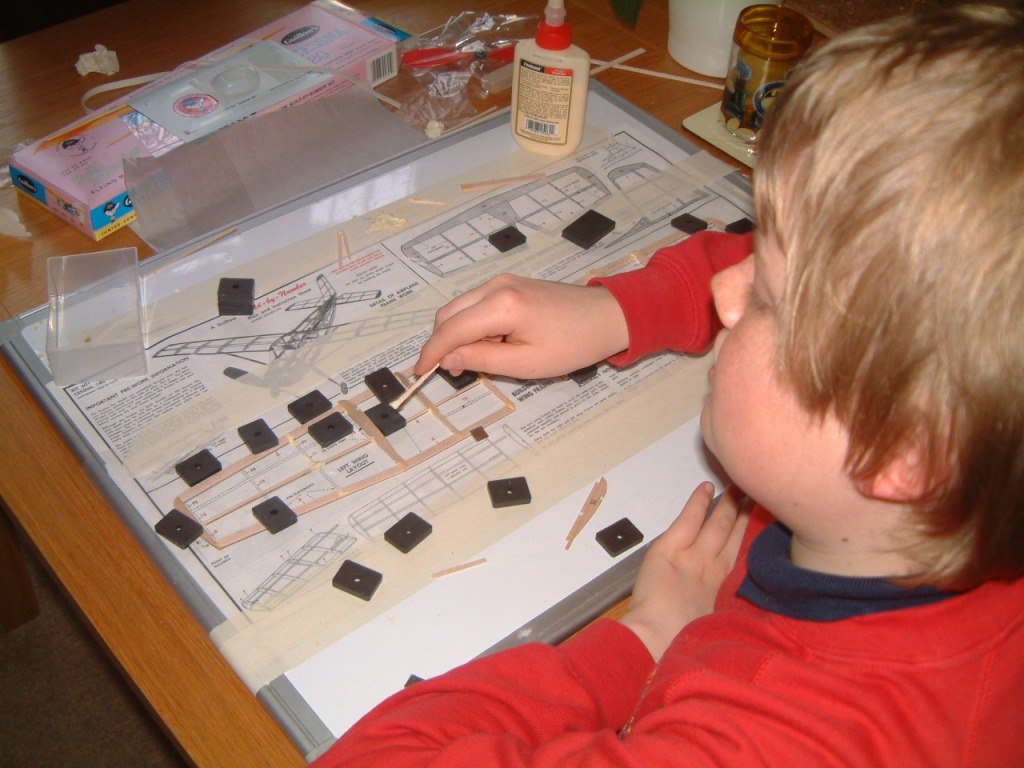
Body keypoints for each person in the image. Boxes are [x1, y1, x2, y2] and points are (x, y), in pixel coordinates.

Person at [313, 5, 1024, 765]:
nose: (724, 291)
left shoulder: (766, 742)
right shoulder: (954, 464)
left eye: (767, 302)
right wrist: (617, 311)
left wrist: (644, 640)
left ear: (903, 452)